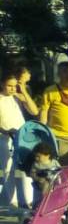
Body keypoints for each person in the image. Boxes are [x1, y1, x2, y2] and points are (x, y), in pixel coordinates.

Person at [0, 73, 30, 207]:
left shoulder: (16, 98)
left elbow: (34, 110)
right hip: (5, 139)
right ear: (2, 85)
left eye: (14, 86)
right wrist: (6, 131)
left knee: (24, 168)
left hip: (22, 138)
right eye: (9, 86)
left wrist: (23, 92)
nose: (12, 89)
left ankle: (28, 199)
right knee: (8, 170)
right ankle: (12, 202)